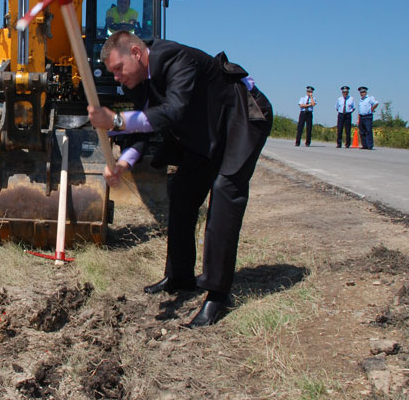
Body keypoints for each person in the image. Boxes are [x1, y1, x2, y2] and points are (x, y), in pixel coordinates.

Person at [87, 31, 272, 327]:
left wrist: (118, 121)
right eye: (113, 73)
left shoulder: (176, 59)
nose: (117, 78)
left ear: (136, 53)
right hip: (204, 132)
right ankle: (180, 276)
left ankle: (217, 294)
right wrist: (122, 163)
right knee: (183, 193)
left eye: (119, 69)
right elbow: (143, 129)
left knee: (224, 195)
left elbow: (173, 111)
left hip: (241, 119)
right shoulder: (136, 81)